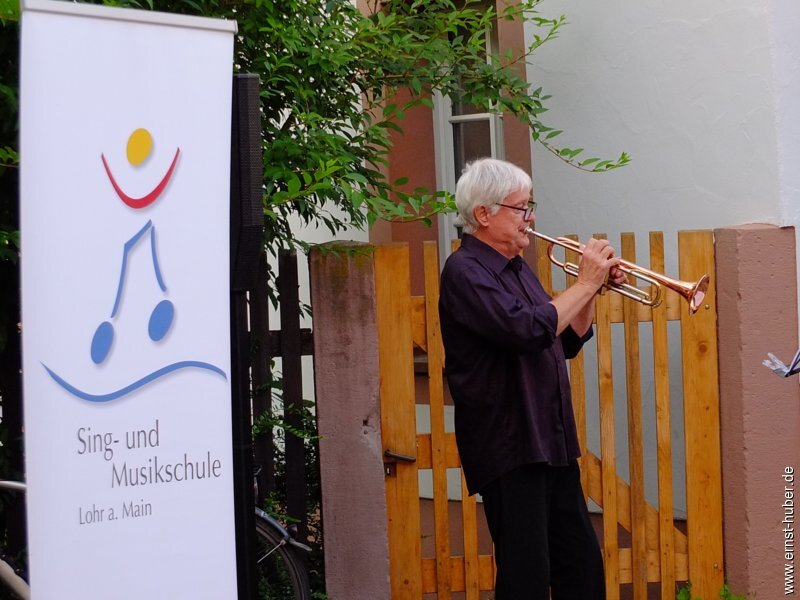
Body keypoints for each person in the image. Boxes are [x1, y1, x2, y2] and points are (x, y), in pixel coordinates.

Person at [438, 157, 624, 599]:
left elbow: (562, 341)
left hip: (550, 441)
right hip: (510, 446)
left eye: (529, 206)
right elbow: (526, 331)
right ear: (484, 214)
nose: (531, 218)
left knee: (582, 569)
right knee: (526, 578)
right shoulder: (465, 271)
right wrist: (585, 282)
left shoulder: (517, 268)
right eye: (522, 207)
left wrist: (592, 291)